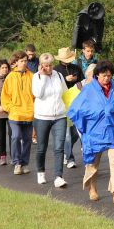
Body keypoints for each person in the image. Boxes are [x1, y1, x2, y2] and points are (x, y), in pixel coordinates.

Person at [67, 60, 114, 204]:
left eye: (109, 75)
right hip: (94, 133)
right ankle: (92, 188)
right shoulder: (88, 90)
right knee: (93, 164)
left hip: (113, 131)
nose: (106, 78)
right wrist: (84, 128)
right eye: (103, 76)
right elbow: (74, 110)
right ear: (97, 76)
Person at [31, 53, 68, 187]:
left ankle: (58, 177)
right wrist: (44, 77)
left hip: (60, 115)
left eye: (50, 65)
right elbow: (37, 94)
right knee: (42, 147)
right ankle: (41, 172)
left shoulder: (58, 75)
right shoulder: (36, 77)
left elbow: (65, 92)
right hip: (42, 117)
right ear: (41, 65)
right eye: (46, 65)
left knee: (59, 147)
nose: (48, 68)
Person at [0, 51, 34, 175]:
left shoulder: (32, 76)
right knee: (15, 137)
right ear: (16, 62)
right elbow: (5, 96)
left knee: (27, 140)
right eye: (22, 61)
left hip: (29, 114)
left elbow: (36, 95)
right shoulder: (10, 76)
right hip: (15, 114)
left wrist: (34, 108)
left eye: (26, 61)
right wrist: (10, 108)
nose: (24, 63)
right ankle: (16, 163)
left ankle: (24, 163)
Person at [54, 47, 84, 169]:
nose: (67, 61)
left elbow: (83, 82)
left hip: (76, 103)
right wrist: (65, 80)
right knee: (66, 134)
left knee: (76, 134)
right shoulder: (56, 70)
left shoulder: (76, 68)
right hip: (63, 103)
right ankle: (70, 158)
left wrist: (77, 81)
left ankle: (66, 152)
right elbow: (55, 87)